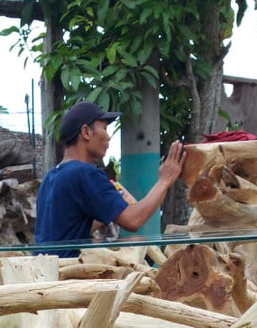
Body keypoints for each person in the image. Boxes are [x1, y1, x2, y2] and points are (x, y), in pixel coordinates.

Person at [34, 100, 186, 250]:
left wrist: (108, 209)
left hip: (46, 269)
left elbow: (65, 230)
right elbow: (133, 221)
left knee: (133, 243)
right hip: (69, 271)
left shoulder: (51, 176)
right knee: (140, 244)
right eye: (105, 128)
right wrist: (164, 181)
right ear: (86, 132)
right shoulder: (86, 173)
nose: (108, 137)